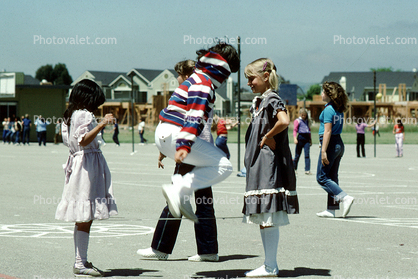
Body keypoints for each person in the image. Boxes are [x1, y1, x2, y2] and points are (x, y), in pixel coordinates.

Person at [138, 59, 220, 262]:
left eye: (179, 76)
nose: (178, 81)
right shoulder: (203, 88)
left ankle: (160, 248)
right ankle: (208, 250)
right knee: (203, 201)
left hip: (191, 148)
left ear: (186, 75)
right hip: (203, 148)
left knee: (175, 199)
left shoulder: (192, 89)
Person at [156, 42, 240, 223]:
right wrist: (184, 144)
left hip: (166, 133)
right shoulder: (204, 82)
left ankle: (182, 198)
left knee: (206, 164)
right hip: (176, 133)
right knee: (225, 166)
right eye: (226, 75)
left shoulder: (195, 78)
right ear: (221, 68)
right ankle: (180, 189)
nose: (225, 80)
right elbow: (194, 114)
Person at [55, 79, 117, 277]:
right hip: (86, 167)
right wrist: (101, 124)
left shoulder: (71, 115)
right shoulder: (83, 114)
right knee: (84, 215)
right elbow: (83, 140)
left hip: (81, 164)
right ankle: (80, 262)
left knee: (85, 216)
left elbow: (71, 141)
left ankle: (80, 259)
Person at [242, 58, 299, 277]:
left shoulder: (271, 98)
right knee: (264, 215)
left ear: (266, 77)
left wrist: (267, 135)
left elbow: (284, 121)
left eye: (251, 78)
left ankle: (270, 265)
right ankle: (268, 264)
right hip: (259, 164)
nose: (249, 83)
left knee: (268, 214)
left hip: (268, 165)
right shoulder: (261, 100)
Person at [316, 81, 355, 218]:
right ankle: (331, 209)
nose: (321, 94)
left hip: (331, 143)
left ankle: (345, 198)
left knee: (321, 177)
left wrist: (323, 151)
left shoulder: (328, 109)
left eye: (323, 92)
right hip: (339, 143)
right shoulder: (338, 109)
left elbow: (327, 131)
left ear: (329, 94)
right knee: (332, 177)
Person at [293, 108, 312, 174]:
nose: (304, 116)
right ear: (300, 114)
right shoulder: (298, 121)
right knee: (297, 154)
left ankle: (307, 169)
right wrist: (295, 138)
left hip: (306, 138)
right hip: (300, 137)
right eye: (303, 115)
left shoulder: (307, 121)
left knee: (307, 155)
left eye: (305, 115)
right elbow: (295, 130)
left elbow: (309, 130)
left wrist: (310, 139)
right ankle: (294, 168)